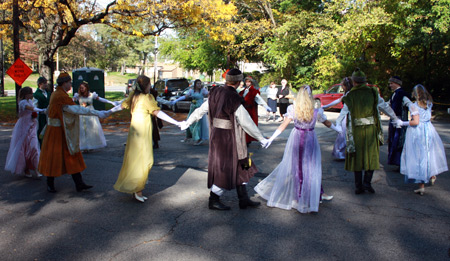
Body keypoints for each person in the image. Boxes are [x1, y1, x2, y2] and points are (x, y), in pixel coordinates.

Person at [180, 69, 269, 210]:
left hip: (218, 136)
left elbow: (202, 109)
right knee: (226, 169)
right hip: (230, 138)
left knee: (244, 164)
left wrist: (188, 122)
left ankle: (243, 198)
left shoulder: (216, 92)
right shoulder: (233, 97)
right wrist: (260, 138)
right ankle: (213, 199)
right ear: (238, 82)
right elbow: (245, 121)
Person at [254, 85, 340, 213]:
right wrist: (339, 130)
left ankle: (313, 193)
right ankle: (300, 196)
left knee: (301, 167)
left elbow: (283, 126)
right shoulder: (314, 111)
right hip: (309, 138)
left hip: (298, 138)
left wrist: (271, 138)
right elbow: (328, 124)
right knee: (308, 167)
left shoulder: (296, 109)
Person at [38, 72, 119, 193]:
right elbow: (75, 109)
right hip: (56, 132)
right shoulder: (60, 95)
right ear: (64, 83)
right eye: (69, 82)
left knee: (72, 155)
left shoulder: (58, 94)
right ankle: (50, 183)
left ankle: (79, 183)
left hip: (61, 130)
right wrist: (99, 113)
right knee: (54, 156)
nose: (71, 84)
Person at [113, 75, 181, 203]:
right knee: (145, 160)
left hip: (134, 133)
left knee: (134, 160)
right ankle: (137, 189)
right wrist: (176, 122)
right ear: (146, 86)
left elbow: (121, 106)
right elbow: (157, 112)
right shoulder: (146, 98)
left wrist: (106, 112)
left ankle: (135, 188)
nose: (150, 87)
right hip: (142, 132)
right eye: (149, 85)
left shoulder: (134, 95)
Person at [338, 68, 402, 194]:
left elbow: (344, 112)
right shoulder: (373, 92)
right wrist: (395, 118)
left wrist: (337, 125)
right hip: (371, 130)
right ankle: (367, 183)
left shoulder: (350, 95)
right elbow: (384, 106)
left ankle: (358, 186)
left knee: (357, 157)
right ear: (364, 81)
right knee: (371, 156)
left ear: (354, 82)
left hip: (356, 131)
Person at [399, 84, 448, 195]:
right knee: (428, 154)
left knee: (418, 156)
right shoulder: (429, 104)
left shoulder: (414, 106)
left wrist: (403, 123)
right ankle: (431, 173)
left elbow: (415, 122)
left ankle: (421, 186)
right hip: (429, 130)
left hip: (417, 132)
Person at [5, 87, 45, 178]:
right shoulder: (23, 103)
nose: (32, 95)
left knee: (34, 147)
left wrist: (40, 112)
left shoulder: (30, 101)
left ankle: (36, 169)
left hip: (32, 126)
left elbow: (33, 109)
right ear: (26, 94)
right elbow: (31, 109)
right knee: (24, 148)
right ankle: (26, 168)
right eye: (30, 93)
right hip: (23, 127)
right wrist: (42, 110)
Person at [72, 81, 119, 151]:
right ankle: (84, 146)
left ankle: (91, 145)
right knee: (82, 129)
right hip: (82, 113)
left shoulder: (91, 95)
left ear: (86, 88)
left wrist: (111, 102)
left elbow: (101, 99)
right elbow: (72, 100)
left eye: (83, 88)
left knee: (91, 128)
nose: (81, 89)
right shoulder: (78, 95)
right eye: (80, 88)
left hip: (91, 113)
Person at [322, 77, 354, 159]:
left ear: (345, 86)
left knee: (343, 134)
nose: (342, 87)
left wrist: (339, 120)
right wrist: (326, 106)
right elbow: (337, 100)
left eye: (342, 85)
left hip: (347, 116)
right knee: (345, 134)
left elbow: (344, 109)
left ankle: (341, 153)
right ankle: (344, 153)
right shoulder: (347, 94)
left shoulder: (349, 94)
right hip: (348, 116)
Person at [170, 79, 209, 145]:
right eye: (198, 83)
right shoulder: (191, 91)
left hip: (199, 109)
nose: (199, 85)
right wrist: (176, 100)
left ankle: (198, 139)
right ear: (195, 84)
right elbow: (185, 96)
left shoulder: (203, 91)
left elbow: (209, 94)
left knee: (197, 124)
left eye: (200, 83)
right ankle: (188, 136)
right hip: (192, 108)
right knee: (188, 121)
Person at [386, 76, 412, 168]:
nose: (390, 85)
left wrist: (414, 114)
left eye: (391, 83)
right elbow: (387, 104)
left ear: (397, 83)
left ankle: (401, 163)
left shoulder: (402, 95)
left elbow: (410, 105)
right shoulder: (394, 94)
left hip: (400, 122)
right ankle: (396, 162)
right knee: (393, 140)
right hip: (393, 121)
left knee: (399, 141)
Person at [239, 76, 272, 144]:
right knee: (243, 125)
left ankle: (248, 140)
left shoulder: (253, 91)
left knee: (249, 125)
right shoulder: (243, 90)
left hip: (250, 110)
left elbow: (259, 99)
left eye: (249, 82)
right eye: (246, 82)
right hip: (244, 110)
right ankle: (244, 139)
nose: (247, 83)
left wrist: (265, 106)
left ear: (251, 82)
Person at [33, 76, 51, 146]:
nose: (46, 84)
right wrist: (42, 111)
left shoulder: (48, 93)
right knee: (41, 131)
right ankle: (41, 145)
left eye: (46, 83)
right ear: (40, 84)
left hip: (49, 115)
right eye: (44, 83)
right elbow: (35, 106)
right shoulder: (36, 95)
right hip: (41, 116)